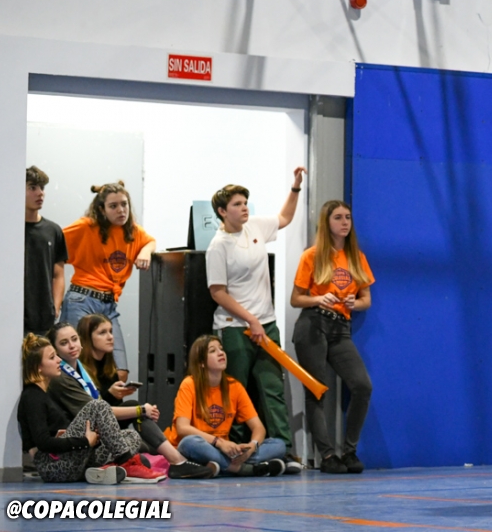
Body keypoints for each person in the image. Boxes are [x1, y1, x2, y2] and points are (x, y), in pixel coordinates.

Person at [207, 169, 306, 474]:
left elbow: (284, 218)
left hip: (266, 325)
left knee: (272, 387)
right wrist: (250, 319)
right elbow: (218, 292)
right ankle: (234, 453)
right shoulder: (218, 246)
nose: (244, 208)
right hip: (235, 328)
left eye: (245, 202)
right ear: (222, 212)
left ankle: (284, 451)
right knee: (236, 390)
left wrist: (295, 188)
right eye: (237, 204)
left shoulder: (256, 226)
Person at [47, 318, 216, 478]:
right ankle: (177, 460)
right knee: (137, 420)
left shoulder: (84, 369)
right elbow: (98, 409)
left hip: (94, 436)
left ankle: (113, 466)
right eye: (64, 343)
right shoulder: (60, 377)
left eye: (74, 339)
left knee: (134, 439)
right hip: (77, 445)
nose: (72, 345)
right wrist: (140, 410)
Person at [291, 200, 374, 474]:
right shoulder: (312, 256)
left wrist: (354, 303)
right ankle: (327, 455)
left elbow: (366, 300)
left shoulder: (357, 257)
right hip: (313, 324)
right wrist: (318, 298)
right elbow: (296, 299)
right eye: (338, 217)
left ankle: (349, 451)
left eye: (347, 217)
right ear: (326, 223)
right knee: (317, 390)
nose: (344, 222)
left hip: (341, 327)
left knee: (362, 385)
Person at [17, 334, 165, 484]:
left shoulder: (45, 393)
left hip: (68, 459)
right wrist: (85, 441)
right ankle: (127, 463)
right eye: (52, 357)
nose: (58, 360)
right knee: (98, 406)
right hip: (52, 466)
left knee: (131, 436)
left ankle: (103, 470)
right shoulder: (32, 396)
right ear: (38, 367)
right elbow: (43, 443)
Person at [60, 182, 155, 378]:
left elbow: (150, 241)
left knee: (120, 371)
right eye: (113, 206)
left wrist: (145, 251)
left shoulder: (132, 231)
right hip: (82, 300)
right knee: (79, 366)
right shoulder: (87, 226)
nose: (121, 210)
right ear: (102, 210)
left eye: (124, 204)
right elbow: (53, 240)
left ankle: (107, 399)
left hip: (108, 305)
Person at [165, 335, 288, 476]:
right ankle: (245, 469)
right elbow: (182, 428)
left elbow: (258, 427)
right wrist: (219, 443)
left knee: (278, 445)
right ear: (201, 363)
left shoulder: (234, 386)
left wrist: (252, 446)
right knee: (190, 443)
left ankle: (220, 466)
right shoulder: (189, 384)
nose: (220, 353)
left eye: (221, 349)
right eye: (212, 351)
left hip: (225, 450)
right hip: (201, 446)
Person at [24, 166, 67, 335]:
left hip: (42, 317)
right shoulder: (6, 229)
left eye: (42, 188)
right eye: (32, 188)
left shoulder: (53, 230)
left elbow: (58, 274)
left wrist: (55, 307)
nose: (40, 193)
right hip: (10, 313)